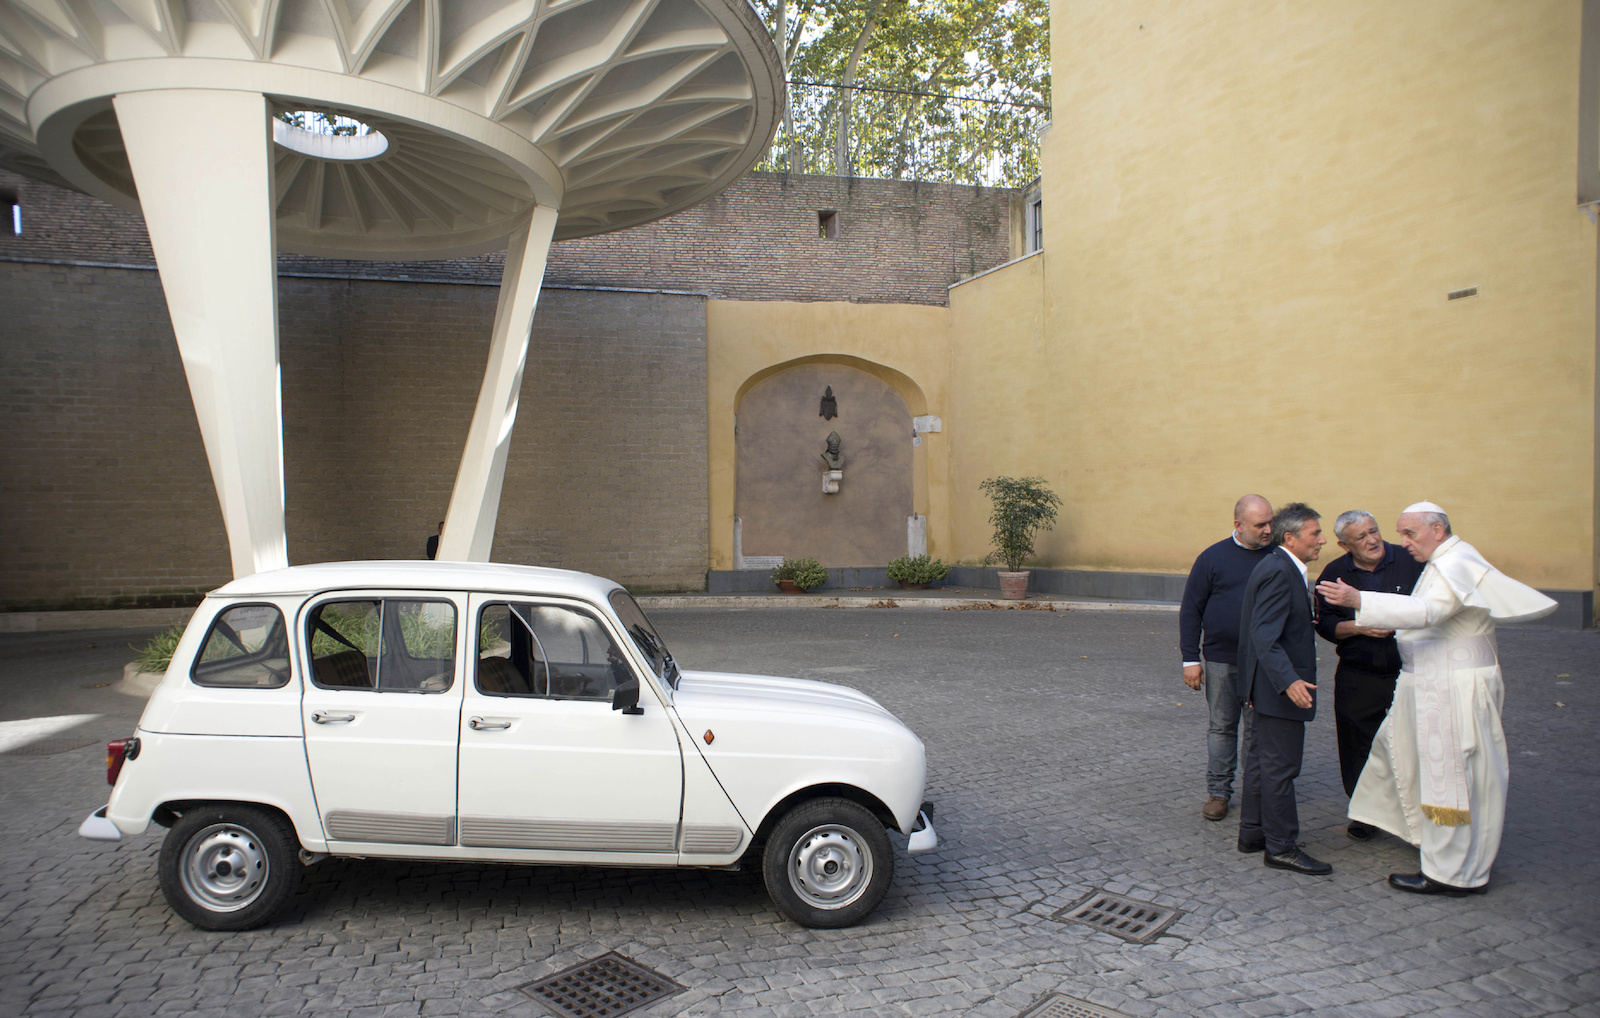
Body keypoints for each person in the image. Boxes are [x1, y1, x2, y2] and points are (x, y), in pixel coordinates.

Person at [1317, 502, 1556, 895]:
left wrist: (1361, 601)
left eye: (1410, 534)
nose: (1401, 542)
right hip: (1435, 683)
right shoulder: (1444, 559)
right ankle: (1440, 851)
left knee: (1453, 778)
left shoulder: (1454, 561)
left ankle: (1451, 873)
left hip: (1450, 688)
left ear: (1438, 530)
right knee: (1402, 756)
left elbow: (1430, 611)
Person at [1312, 510, 1425, 840]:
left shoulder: (1409, 560)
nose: (1372, 540)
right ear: (1344, 545)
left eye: (1374, 531)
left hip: (1408, 670)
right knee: (1358, 743)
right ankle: (1365, 813)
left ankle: (1412, 812)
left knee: (1410, 743)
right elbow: (1326, 625)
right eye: (1361, 537)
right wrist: (1357, 627)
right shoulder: (1334, 574)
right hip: (1359, 673)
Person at [1236, 503, 1330, 875]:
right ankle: (1281, 846)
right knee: (1280, 768)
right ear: (1290, 537)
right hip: (1278, 689)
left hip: (1267, 687)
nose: (1322, 540)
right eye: (1315, 533)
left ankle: (1254, 832)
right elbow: (1264, 635)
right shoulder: (1279, 571)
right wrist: (1289, 680)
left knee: (1262, 763)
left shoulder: (1279, 566)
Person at [1179, 494, 1275, 821]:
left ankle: (1256, 793)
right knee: (1221, 727)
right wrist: (1190, 659)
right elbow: (1191, 609)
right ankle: (1218, 793)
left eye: (1270, 522)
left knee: (1257, 730)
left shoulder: (1277, 557)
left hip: (1264, 662)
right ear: (1238, 525)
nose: (1268, 530)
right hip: (1221, 659)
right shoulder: (1213, 558)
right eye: (1260, 525)